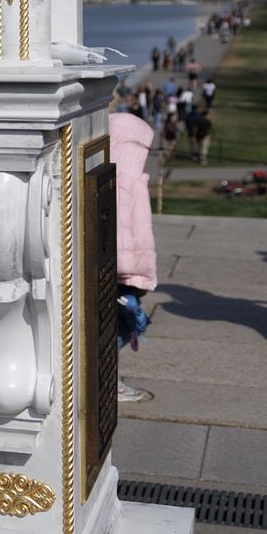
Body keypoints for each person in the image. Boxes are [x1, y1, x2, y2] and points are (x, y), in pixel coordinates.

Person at [111, 112, 158, 402]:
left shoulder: (109, 175)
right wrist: (138, 276)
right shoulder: (130, 184)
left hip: (112, 268)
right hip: (122, 272)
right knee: (119, 327)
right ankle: (108, 383)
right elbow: (132, 236)